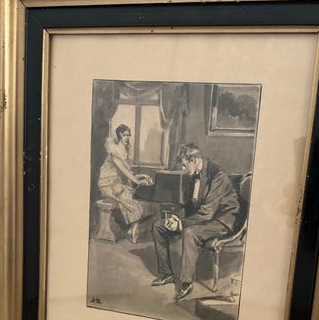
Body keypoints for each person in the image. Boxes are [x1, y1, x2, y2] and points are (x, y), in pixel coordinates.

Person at [152, 144, 240, 301]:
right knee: (159, 226)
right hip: (204, 217)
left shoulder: (218, 176)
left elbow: (207, 212)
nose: (183, 169)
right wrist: (175, 217)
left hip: (221, 220)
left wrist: (181, 223)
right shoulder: (193, 174)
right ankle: (166, 273)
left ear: (193, 160)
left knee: (190, 232)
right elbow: (189, 204)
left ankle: (186, 283)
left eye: (184, 165)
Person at [98, 124, 153, 243]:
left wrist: (143, 176)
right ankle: (133, 229)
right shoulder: (115, 151)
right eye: (125, 135)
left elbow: (128, 173)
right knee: (131, 199)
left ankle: (133, 228)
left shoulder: (124, 151)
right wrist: (138, 181)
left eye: (129, 135)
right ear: (120, 135)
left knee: (135, 197)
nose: (128, 137)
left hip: (117, 183)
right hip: (108, 185)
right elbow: (125, 172)